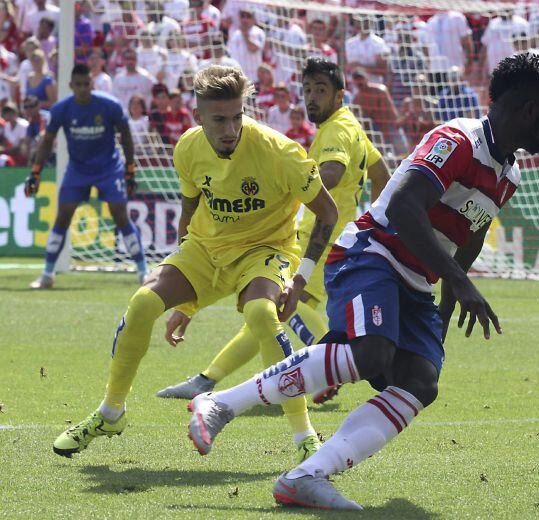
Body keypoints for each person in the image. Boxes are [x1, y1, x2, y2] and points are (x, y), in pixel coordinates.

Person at [185, 53, 539, 510]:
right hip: (371, 253)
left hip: (417, 282)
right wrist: (460, 283)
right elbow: (403, 207)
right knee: (372, 353)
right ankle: (220, 403)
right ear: (529, 110)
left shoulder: (509, 175)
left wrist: (442, 313)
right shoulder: (456, 141)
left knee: (421, 381)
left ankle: (308, 475)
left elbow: (470, 238)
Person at [52, 66, 339, 464]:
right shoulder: (187, 148)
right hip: (205, 248)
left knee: (260, 314)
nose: (230, 128)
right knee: (142, 304)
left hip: (265, 249)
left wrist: (300, 278)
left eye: (237, 116)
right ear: (197, 116)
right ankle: (110, 413)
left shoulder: (281, 152)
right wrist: (187, 304)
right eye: (219, 119)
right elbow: (191, 209)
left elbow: (328, 212)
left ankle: (304, 435)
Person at [157, 58, 390, 406]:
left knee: (283, 307)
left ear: (339, 94)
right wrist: (376, 220)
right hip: (340, 235)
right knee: (263, 313)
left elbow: (331, 173)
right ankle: (209, 379)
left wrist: (284, 187)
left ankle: (328, 371)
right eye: (307, 90)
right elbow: (381, 172)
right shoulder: (350, 124)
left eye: (320, 91)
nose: (311, 98)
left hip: (319, 238)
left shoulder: (336, 132)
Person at [24, 64, 147, 290]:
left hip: (108, 168)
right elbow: (47, 140)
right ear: (71, 85)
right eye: (78, 85)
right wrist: (36, 171)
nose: (82, 89)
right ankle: (47, 274)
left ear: (92, 83)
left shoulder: (109, 105)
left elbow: (126, 135)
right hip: (78, 169)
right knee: (63, 215)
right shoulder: (62, 109)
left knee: (120, 214)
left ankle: (143, 271)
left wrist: (130, 168)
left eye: (86, 84)